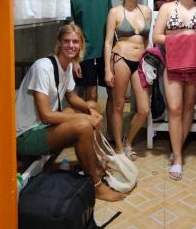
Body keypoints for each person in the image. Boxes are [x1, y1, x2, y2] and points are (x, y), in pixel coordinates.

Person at [15, 24, 125, 202]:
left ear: (81, 45)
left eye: (75, 42)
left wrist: (90, 110)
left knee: (90, 104)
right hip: (25, 135)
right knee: (83, 125)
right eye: (66, 41)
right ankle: (97, 186)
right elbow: (46, 115)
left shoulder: (66, 66)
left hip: (42, 126)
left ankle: (96, 164)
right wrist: (85, 117)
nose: (71, 46)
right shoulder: (43, 67)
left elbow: (71, 97)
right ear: (59, 43)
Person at [153, 0, 196, 180]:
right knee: (175, 109)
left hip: (195, 65)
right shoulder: (167, 8)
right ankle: (178, 158)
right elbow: (156, 36)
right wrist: (184, 36)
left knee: (187, 108)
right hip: (173, 64)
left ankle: (177, 149)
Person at [104, 0, 152, 160]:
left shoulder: (146, 11)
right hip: (121, 58)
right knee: (118, 105)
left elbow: (147, 40)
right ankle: (117, 146)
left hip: (140, 61)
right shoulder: (115, 12)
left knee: (143, 109)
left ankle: (128, 141)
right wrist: (108, 69)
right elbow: (108, 42)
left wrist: (149, 59)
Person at [70, 0, 114, 135]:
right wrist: (74, 59)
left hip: (106, 50)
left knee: (113, 93)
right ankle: (92, 137)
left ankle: (112, 134)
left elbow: (112, 19)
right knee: (91, 96)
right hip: (84, 53)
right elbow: (70, 28)